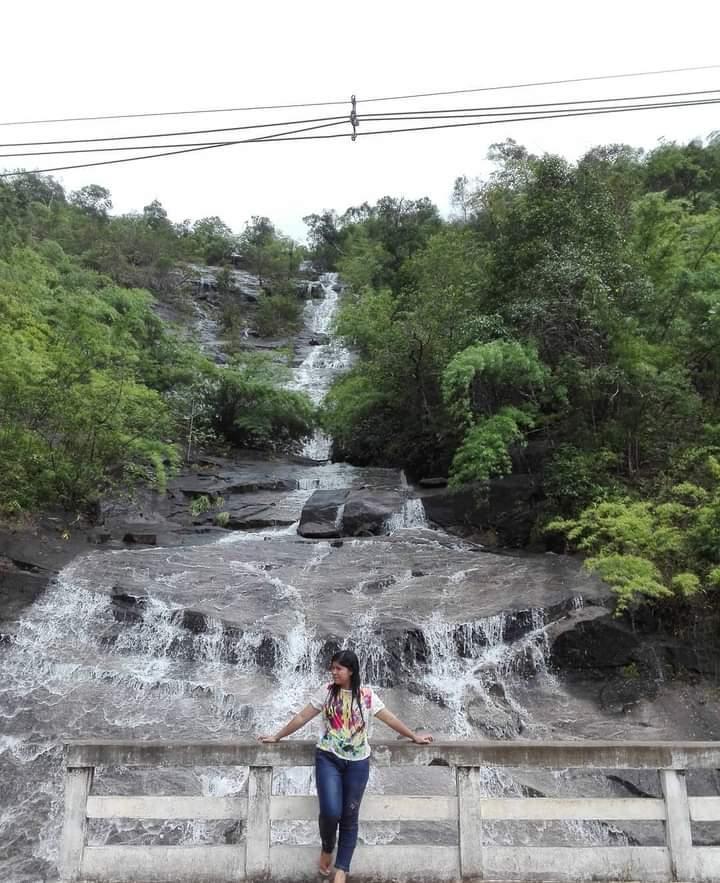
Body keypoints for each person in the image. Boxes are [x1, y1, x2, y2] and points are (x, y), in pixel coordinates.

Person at [257, 648, 433, 883]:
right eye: (332, 667)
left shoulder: (367, 696)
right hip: (328, 758)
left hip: (358, 763)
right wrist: (278, 736)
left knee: (350, 816)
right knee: (330, 811)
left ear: (350, 670)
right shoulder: (327, 692)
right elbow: (302, 717)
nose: (333, 672)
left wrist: (414, 736)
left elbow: (390, 718)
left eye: (338, 668)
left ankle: (342, 870)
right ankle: (328, 847)